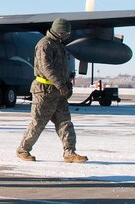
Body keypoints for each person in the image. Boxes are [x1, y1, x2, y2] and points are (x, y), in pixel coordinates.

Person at [16, 18, 87, 163]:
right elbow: (46, 68)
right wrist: (61, 85)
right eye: (65, 32)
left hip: (58, 92)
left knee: (65, 122)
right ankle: (23, 150)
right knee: (38, 123)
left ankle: (70, 153)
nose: (67, 35)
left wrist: (67, 84)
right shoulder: (45, 45)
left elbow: (63, 69)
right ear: (59, 31)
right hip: (44, 92)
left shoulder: (59, 45)